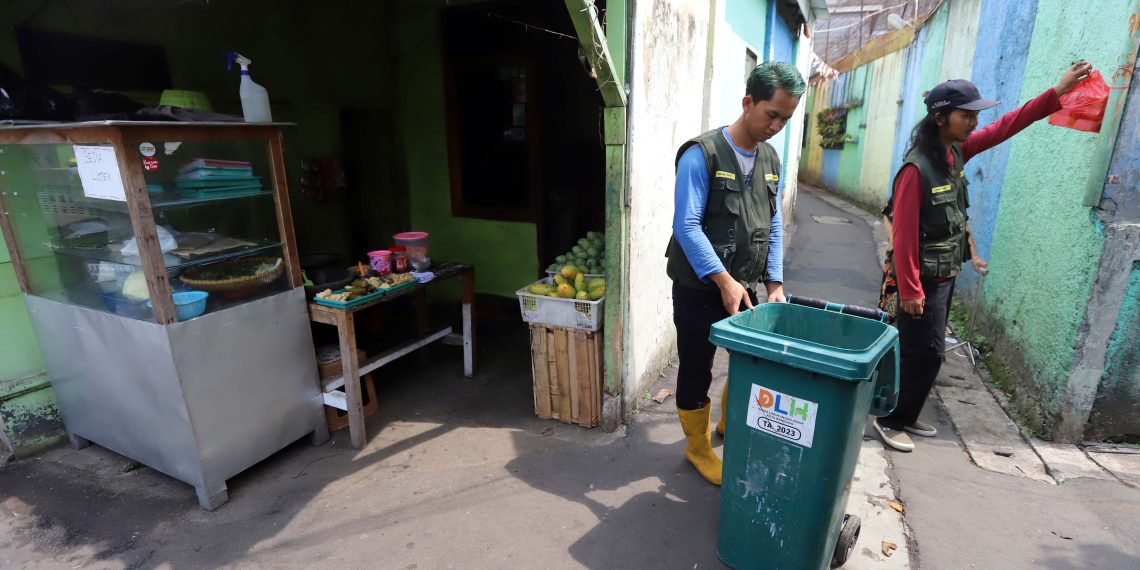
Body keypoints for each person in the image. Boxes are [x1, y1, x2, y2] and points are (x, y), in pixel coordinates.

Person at [873, 61, 1093, 452]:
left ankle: (905, 415)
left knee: (929, 350)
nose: (974, 121)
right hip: (920, 278)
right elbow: (904, 235)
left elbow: (1006, 125)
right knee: (922, 351)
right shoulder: (915, 169)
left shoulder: (955, 153)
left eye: (975, 114)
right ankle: (890, 419)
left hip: (944, 273)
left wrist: (1055, 92)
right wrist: (909, 289)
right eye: (966, 115)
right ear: (941, 118)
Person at [666, 61, 805, 484]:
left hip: (743, 283)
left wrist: (775, 283)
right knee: (697, 367)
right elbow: (686, 226)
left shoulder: (771, 159)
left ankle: (729, 423)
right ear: (748, 102)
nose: (777, 126)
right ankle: (698, 448)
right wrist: (721, 279)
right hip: (699, 287)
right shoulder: (701, 154)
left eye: (786, 118)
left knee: (749, 360)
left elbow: (773, 222)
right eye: (772, 114)